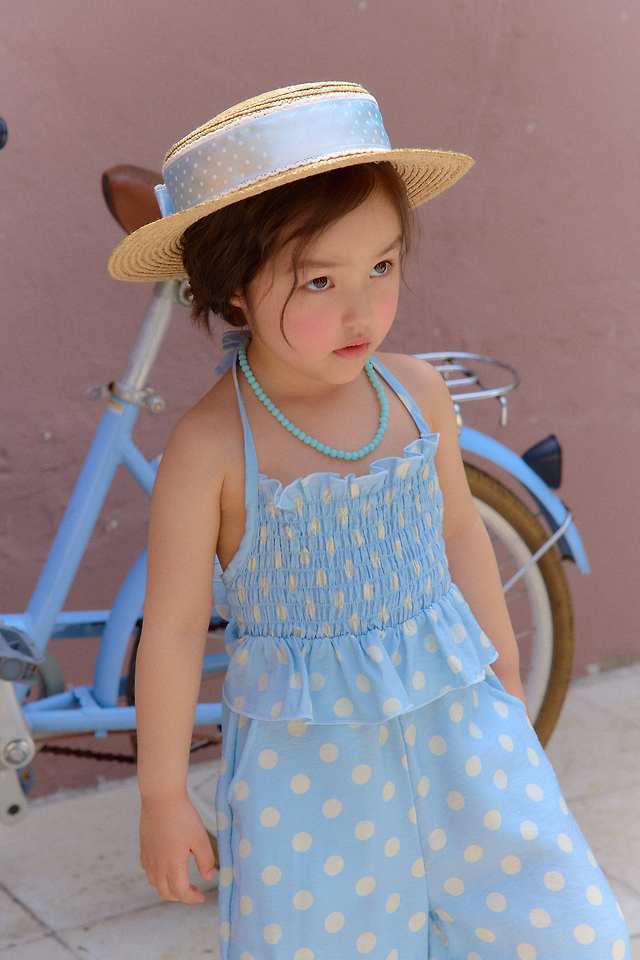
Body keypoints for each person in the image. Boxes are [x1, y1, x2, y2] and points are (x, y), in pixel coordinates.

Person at [108, 81, 631, 960]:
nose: (363, 310)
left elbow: (460, 531)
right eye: (320, 280)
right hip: (308, 768)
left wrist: (504, 676)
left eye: (382, 267)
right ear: (233, 291)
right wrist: (162, 797)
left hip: (458, 722)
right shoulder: (211, 448)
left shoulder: (416, 394)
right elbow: (173, 628)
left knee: (558, 925)